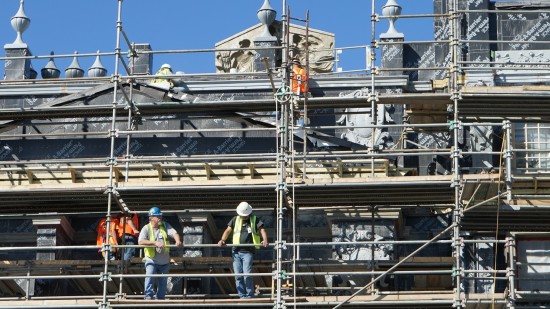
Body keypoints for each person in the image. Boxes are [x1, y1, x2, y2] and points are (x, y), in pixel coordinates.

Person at [218, 201, 268, 299]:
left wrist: (265, 240)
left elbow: (262, 230)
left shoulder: (254, 219)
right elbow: (228, 230)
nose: (243, 217)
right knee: (238, 275)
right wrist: (222, 240)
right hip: (236, 251)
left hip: (248, 252)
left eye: (245, 216)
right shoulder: (235, 219)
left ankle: (249, 295)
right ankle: (242, 296)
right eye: (242, 215)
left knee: (247, 275)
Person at [138, 206, 183, 300]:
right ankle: (148, 298)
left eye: (160, 216)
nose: (159, 218)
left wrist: (177, 241)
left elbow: (174, 233)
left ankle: (160, 299)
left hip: (164, 261)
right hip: (152, 260)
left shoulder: (165, 225)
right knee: (149, 278)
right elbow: (141, 241)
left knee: (163, 282)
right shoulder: (146, 228)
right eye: (157, 216)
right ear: (151, 218)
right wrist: (155, 242)